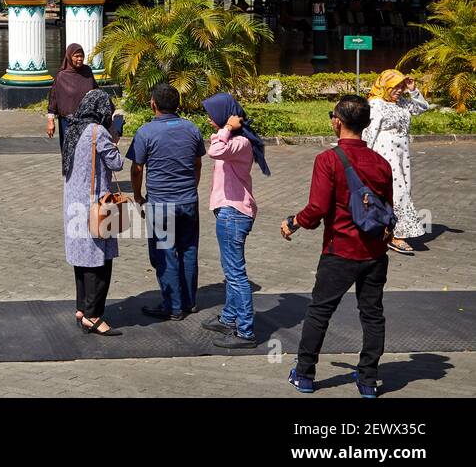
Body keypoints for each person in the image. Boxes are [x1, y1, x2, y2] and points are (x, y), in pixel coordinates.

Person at [281, 95, 393, 398]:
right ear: (367, 124)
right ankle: (368, 381)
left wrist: (294, 221)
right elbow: (388, 209)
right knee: (372, 315)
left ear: (336, 122)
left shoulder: (328, 160)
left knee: (319, 312)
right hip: (374, 253)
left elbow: (317, 208)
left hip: (339, 250)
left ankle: (304, 375)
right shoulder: (382, 164)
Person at [128, 82, 205, 321]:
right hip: (188, 200)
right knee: (189, 250)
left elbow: (137, 168)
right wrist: (191, 187)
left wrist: (138, 196)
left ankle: (172, 306)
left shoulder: (146, 132)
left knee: (165, 253)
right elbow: (197, 164)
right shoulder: (192, 129)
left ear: (153, 104)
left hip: (161, 203)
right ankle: (189, 301)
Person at [200, 92, 272, 349]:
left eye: (212, 114)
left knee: (236, 274)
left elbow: (215, 151)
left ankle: (245, 331)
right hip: (229, 211)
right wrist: (225, 129)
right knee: (230, 272)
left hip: (234, 213)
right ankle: (230, 318)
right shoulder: (235, 139)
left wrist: (228, 128)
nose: (208, 119)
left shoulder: (239, 142)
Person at [62, 89, 125, 337]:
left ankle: (81, 308)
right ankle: (93, 315)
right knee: (99, 260)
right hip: (95, 204)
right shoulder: (97, 132)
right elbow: (116, 163)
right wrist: (115, 136)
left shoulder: (73, 128)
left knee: (81, 258)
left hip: (72, 202)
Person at [363, 69, 429, 255]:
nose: (399, 90)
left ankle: (387, 229)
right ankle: (396, 235)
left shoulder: (401, 103)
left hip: (402, 153)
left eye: (401, 86)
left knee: (403, 189)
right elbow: (369, 133)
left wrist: (413, 90)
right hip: (384, 152)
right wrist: (365, 158)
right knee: (396, 192)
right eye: (395, 86)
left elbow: (422, 108)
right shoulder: (376, 104)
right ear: (385, 85)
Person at [47, 43, 97, 148]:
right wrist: (50, 121)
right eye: (76, 56)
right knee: (69, 154)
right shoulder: (62, 76)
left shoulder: (87, 72)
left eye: (81, 56)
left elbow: (96, 92)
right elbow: (53, 99)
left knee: (85, 155)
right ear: (69, 57)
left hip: (87, 122)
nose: (80, 59)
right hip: (67, 123)